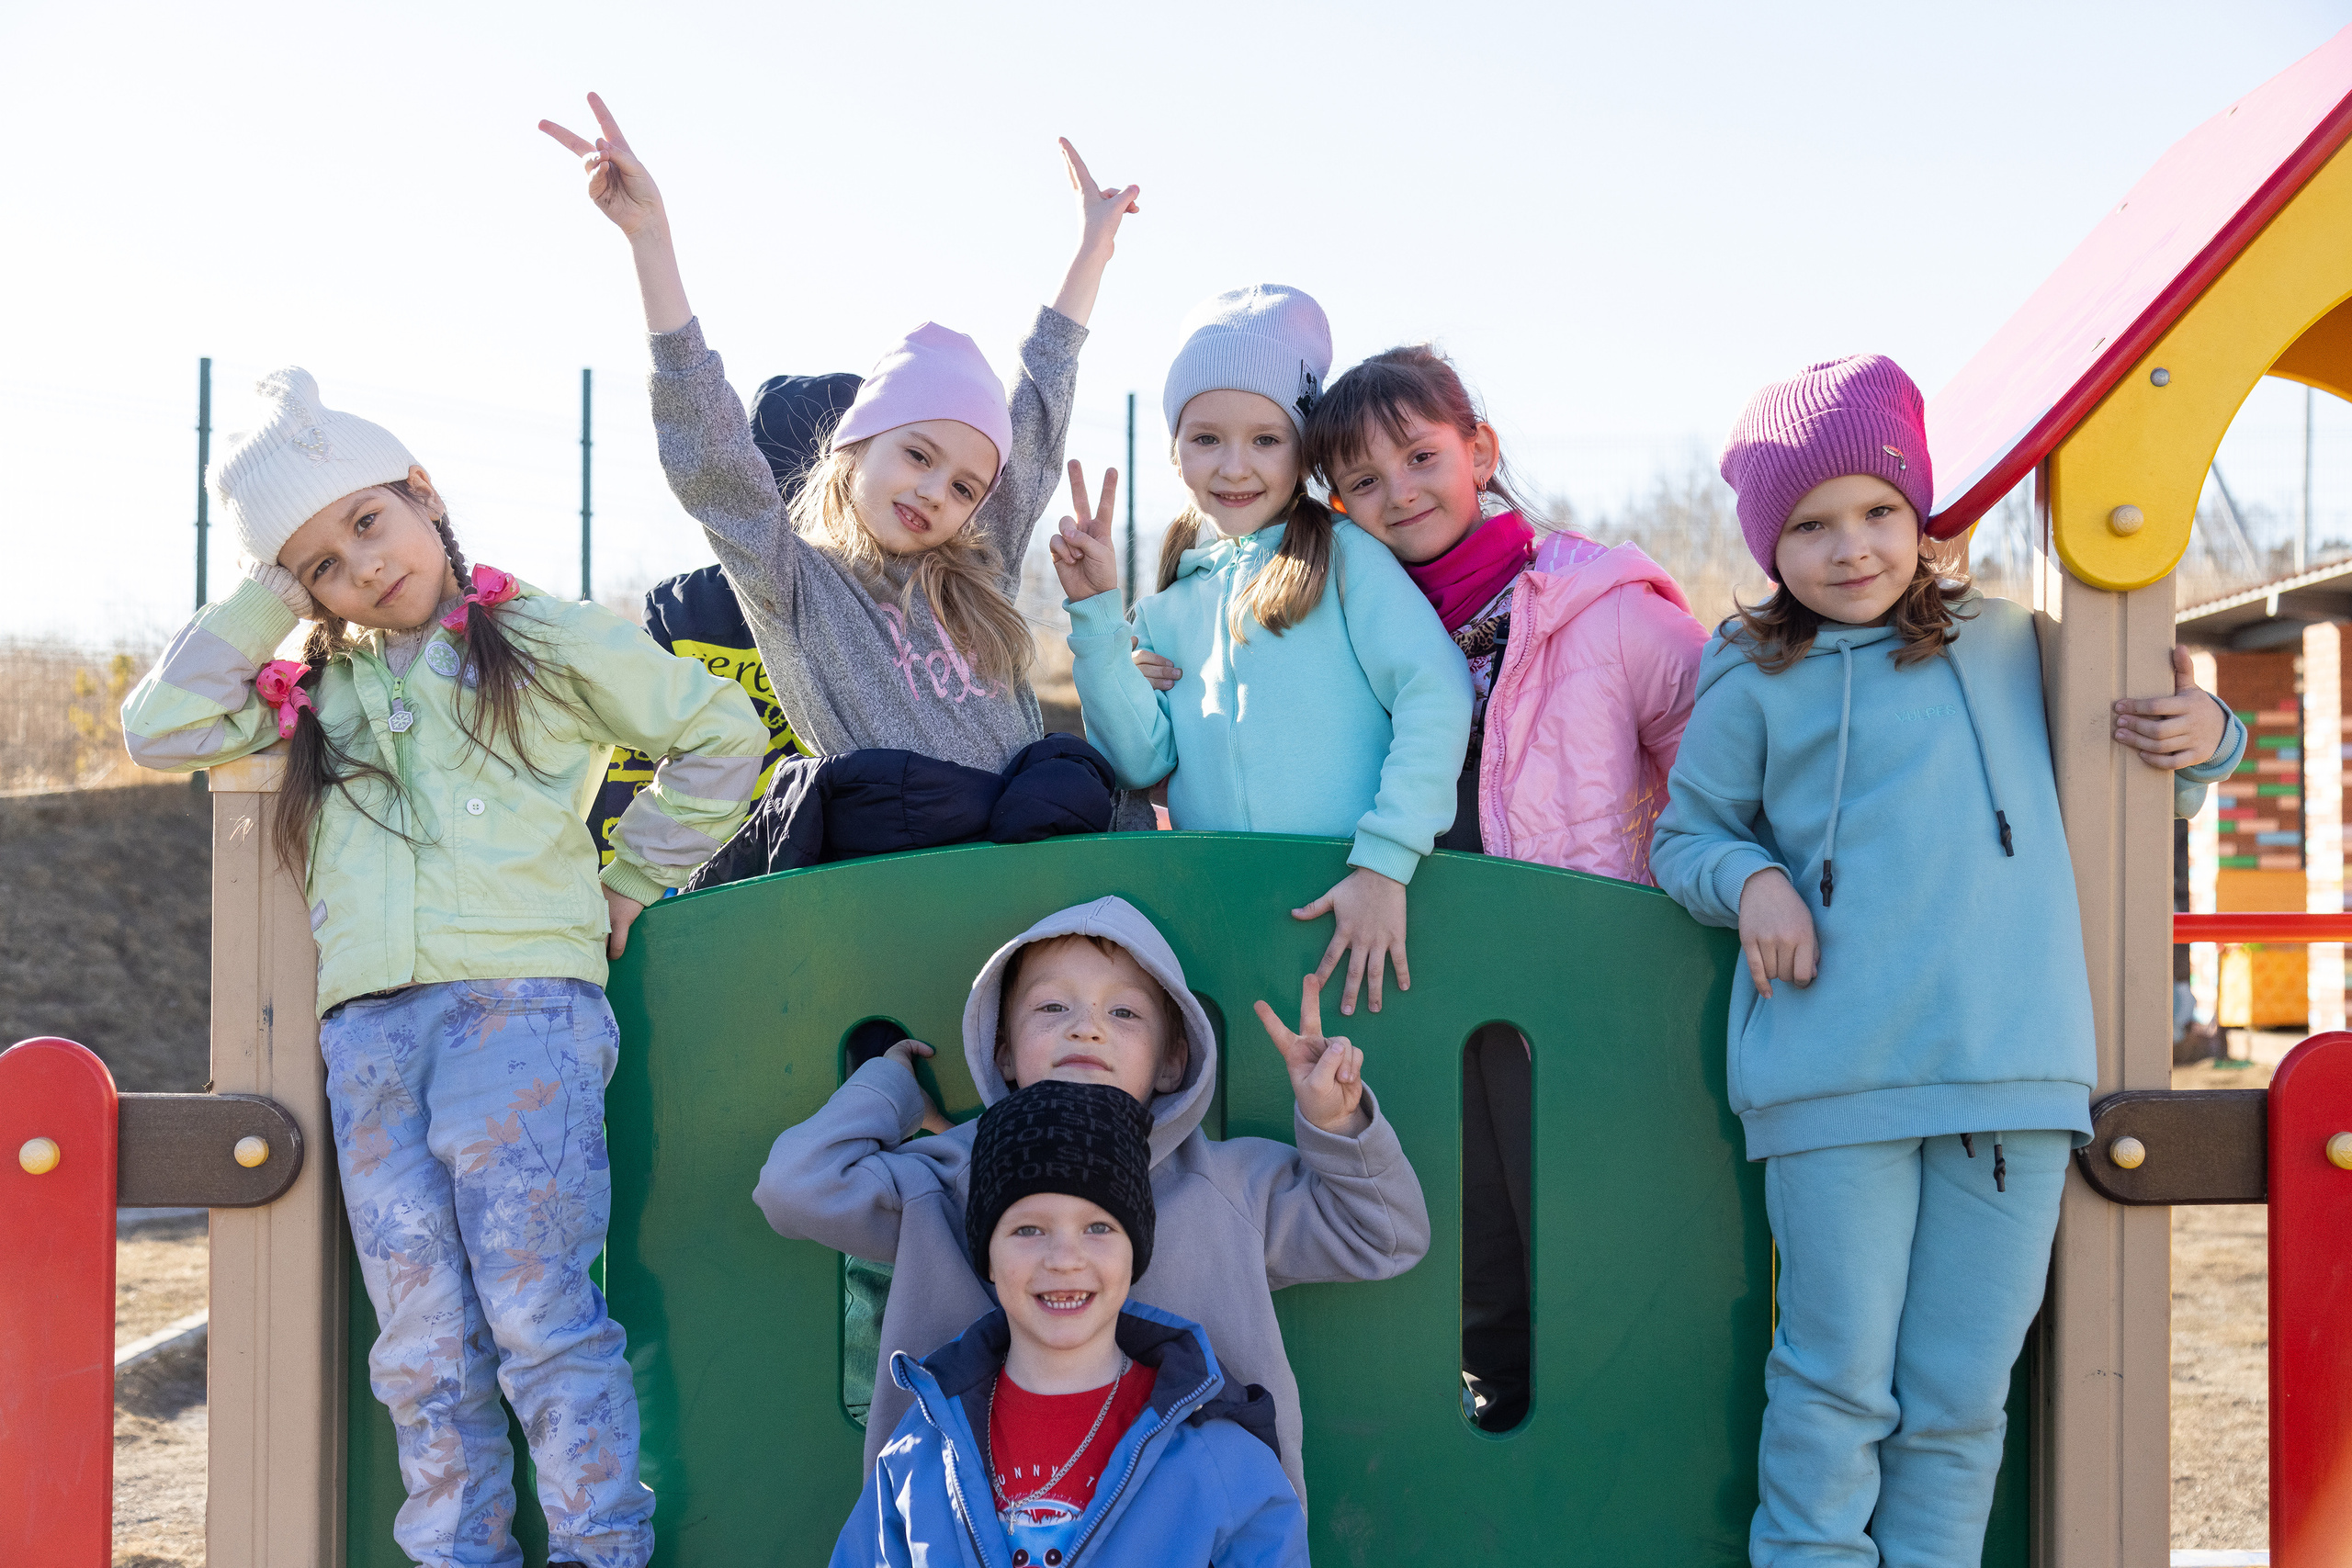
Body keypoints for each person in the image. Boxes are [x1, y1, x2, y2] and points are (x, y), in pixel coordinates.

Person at [120, 367, 767, 1568]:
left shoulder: (538, 634)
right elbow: (157, 726)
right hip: (372, 1043)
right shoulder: (314, 689)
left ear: (425, 493)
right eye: (319, 561)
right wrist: (267, 600)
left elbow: (720, 734)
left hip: (526, 1020)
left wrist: (632, 874)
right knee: (421, 1344)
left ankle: (599, 1549)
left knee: (539, 1318)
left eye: (369, 520)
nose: (361, 566)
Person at [1648, 355, 2245, 1567]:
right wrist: (1754, 878)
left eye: (1877, 510)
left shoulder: (2021, 645)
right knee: (1835, 1378)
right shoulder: (1754, 670)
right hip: (1833, 1077)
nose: (1851, 546)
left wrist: (2212, 731)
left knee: (1962, 1394)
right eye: (1810, 525)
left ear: (1922, 514)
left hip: (2011, 1076)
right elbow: (1685, 833)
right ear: (1771, 546)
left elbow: (2150, 771)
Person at [754, 894, 1430, 1506]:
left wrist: (1335, 1123)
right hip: (973, 1532)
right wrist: (895, 1088)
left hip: (1187, 1532)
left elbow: (1385, 1236)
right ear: (1005, 1051)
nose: (1087, 1028)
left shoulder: (1229, 1184)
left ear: (1171, 1062)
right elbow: (794, 1187)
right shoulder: (944, 1178)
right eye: (1053, 1007)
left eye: (1124, 1012)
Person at [541, 93, 1136, 774]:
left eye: (965, 486)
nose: (936, 491)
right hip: (905, 860)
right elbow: (711, 453)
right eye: (918, 454)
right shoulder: (794, 583)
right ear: (855, 446)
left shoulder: (980, 571)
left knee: (1078, 781)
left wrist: (1094, 249)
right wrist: (650, 238)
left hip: (1020, 847)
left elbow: (1034, 407)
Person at [1053, 286, 1473, 1017]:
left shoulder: (1347, 561)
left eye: (1266, 439)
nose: (1234, 466)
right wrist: (1096, 621)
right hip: (1219, 923)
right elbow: (1140, 761)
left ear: (1302, 449)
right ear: (1175, 449)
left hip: (1363, 912)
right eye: (1206, 437)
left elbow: (1435, 691)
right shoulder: (1162, 608)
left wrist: (1386, 859)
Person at [832, 1079, 1306, 1568]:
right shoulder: (923, 1447)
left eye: (1098, 1227)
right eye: (1028, 1229)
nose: (1063, 1259)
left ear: (1134, 1256)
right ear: (988, 1259)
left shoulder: (1217, 1453)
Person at [586, 371, 860, 863]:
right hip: (770, 885)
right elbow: (630, 766)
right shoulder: (682, 614)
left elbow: (624, 785)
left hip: (709, 890)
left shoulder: (680, 608)